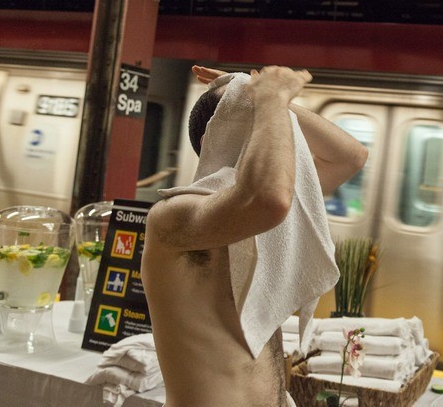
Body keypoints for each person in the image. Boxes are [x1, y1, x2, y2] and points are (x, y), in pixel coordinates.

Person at [142, 65, 367, 407]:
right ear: (210, 140)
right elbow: (268, 198)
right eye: (258, 117)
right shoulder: (172, 217)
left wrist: (262, 94)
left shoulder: (257, 215)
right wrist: (270, 98)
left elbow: (351, 157)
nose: (276, 131)